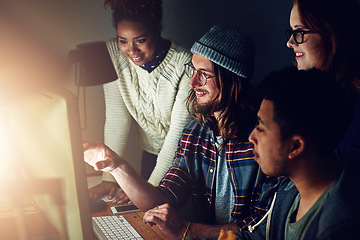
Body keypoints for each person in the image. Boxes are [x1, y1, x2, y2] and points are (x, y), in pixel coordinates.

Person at [84, 24, 280, 239]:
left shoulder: (263, 141)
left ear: (232, 80)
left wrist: (186, 230)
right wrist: (116, 165)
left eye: (204, 74)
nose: (193, 82)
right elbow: (162, 199)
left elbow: (263, 229)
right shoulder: (196, 132)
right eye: (192, 70)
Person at [235, 67, 359, 239]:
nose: (251, 137)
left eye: (261, 128)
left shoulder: (341, 227)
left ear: (295, 146)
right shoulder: (290, 188)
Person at [88, 0, 193, 203]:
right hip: (150, 155)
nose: (132, 51)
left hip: (186, 159)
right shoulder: (113, 54)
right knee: (143, 221)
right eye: (123, 41)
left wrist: (146, 189)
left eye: (140, 40)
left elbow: (177, 136)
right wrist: (109, 177)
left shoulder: (184, 62)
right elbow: (117, 119)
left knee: (166, 220)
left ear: (157, 30)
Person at [285, 0, 360, 161]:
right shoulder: (310, 101)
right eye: (291, 32)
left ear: (331, 34)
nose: (290, 43)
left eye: (299, 32)